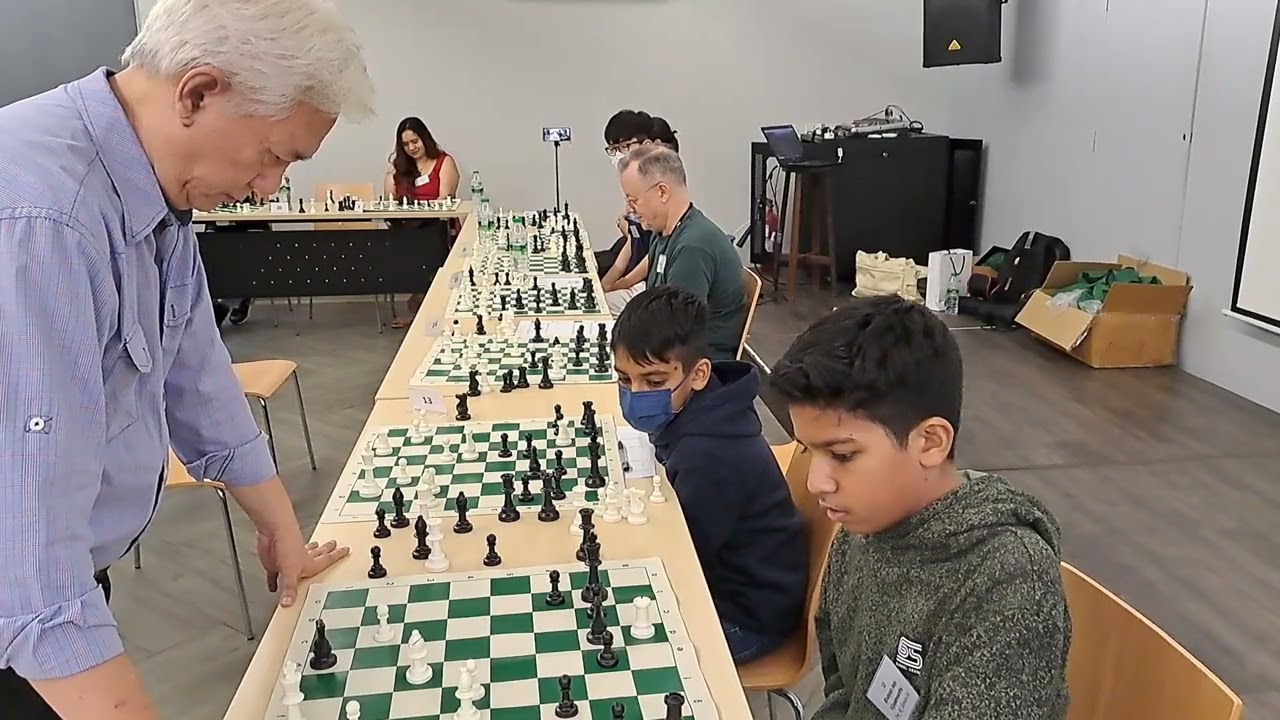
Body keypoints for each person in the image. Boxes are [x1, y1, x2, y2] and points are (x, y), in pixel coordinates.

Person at [0, 1, 373, 718]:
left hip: (58, 592)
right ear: (197, 94)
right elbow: (30, 577)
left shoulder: (152, 188)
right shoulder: (46, 219)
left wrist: (280, 529)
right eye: (273, 158)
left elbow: (195, 372)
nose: (268, 191)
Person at [769, 296, 1072, 720]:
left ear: (929, 442)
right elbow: (844, 691)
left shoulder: (1008, 580)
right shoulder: (862, 527)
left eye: (841, 455)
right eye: (807, 451)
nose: (815, 482)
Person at [611, 286, 807, 664]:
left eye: (653, 382)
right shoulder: (705, 411)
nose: (635, 394)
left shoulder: (709, 454)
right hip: (739, 587)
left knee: (621, 656)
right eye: (624, 380)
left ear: (699, 374)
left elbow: (681, 560)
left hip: (747, 618)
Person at [618, 144, 747, 360]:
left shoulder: (693, 247)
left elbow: (676, 333)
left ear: (662, 192)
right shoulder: (665, 232)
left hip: (696, 365)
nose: (629, 210)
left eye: (633, 200)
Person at [600, 111, 681, 313]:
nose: (630, 208)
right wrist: (606, 285)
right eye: (614, 149)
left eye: (624, 147)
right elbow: (636, 242)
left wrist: (620, 284)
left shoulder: (684, 234)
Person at [384, 116, 460, 328]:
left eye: (415, 141)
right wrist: (392, 175)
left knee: (429, 243)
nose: (411, 148)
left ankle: (424, 307)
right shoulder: (399, 168)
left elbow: (445, 199)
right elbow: (389, 201)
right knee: (394, 243)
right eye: (406, 144)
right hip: (407, 227)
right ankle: (418, 305)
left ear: (424, 138)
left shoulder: (444, 162)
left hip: (437, 226)